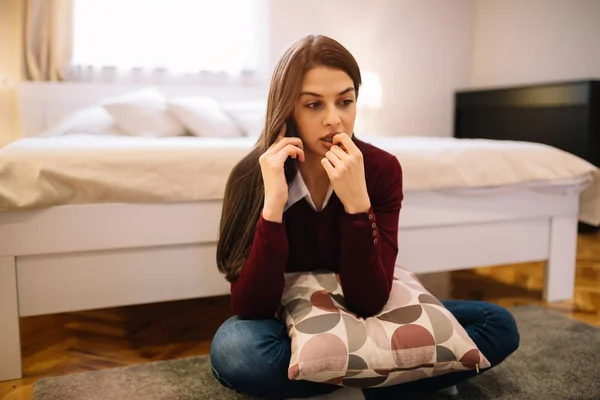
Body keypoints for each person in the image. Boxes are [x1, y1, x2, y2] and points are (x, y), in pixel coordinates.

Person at [210, 34, 520, 400]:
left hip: (363, 309)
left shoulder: (381, 169)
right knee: (238, 351)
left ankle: (338, 393)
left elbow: (369, 300)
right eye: (313, 105)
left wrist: (358, 206)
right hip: (284, 317)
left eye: (345, 101)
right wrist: (274, 207)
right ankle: (394, 386)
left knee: (497, 325)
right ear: (287, 108)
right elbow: (252, 307)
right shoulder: (252, 174)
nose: (334, 120)